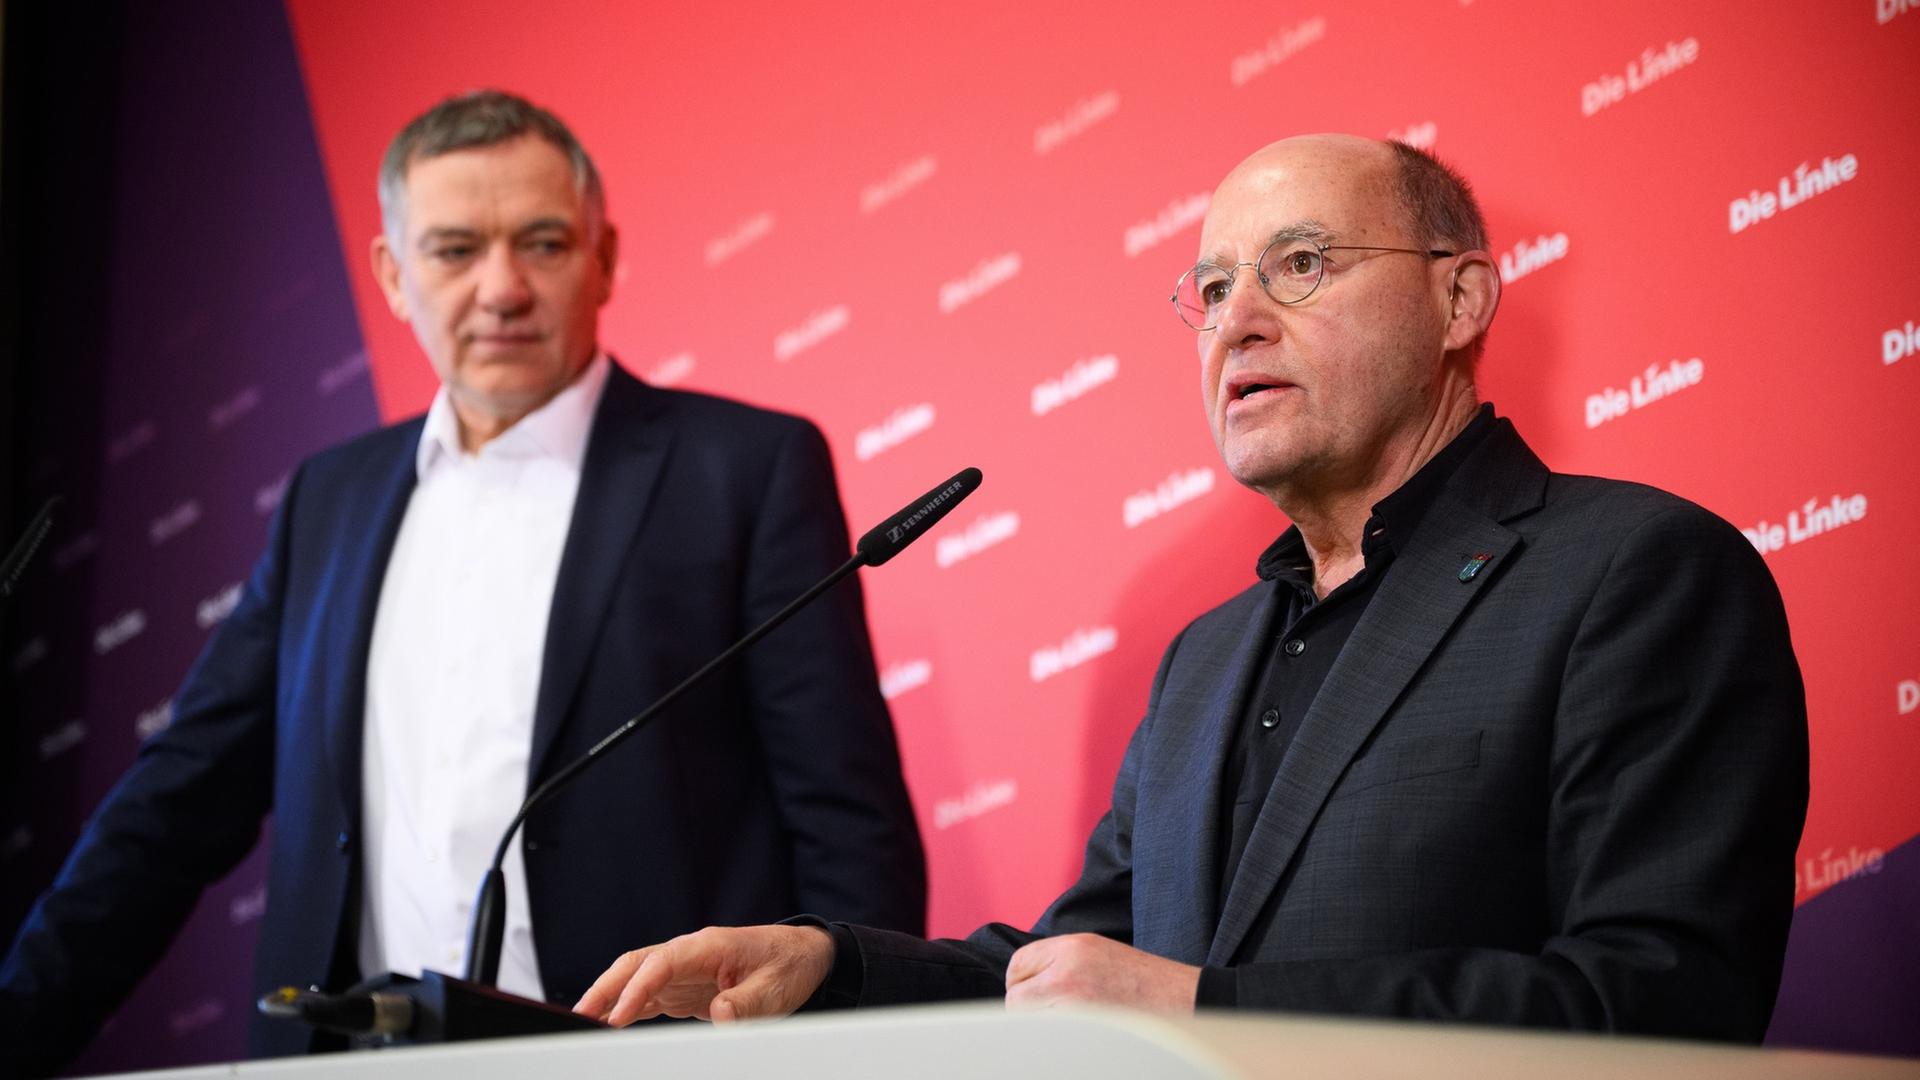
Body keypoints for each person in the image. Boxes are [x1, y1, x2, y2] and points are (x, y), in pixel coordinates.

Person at [574, 134, 1809, 1042]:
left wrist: (1205, 1009)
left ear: (1460, 297)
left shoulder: (1634, 574)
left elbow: (1663, 1006)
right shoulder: (1206, 659)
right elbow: (1072, 973)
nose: (1237, 323)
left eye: (1302, 265)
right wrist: (826, 963)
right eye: (1212, 291)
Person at [0, 90, 925, 1073]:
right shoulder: (331, 498)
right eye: (453, 251)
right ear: (394, 276)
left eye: (542, 244)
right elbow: (174, 803)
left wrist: (839, 1052)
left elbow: (847, 823)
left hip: (647, 1058)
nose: (502, 288)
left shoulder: (744, 468)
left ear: (603, 258)